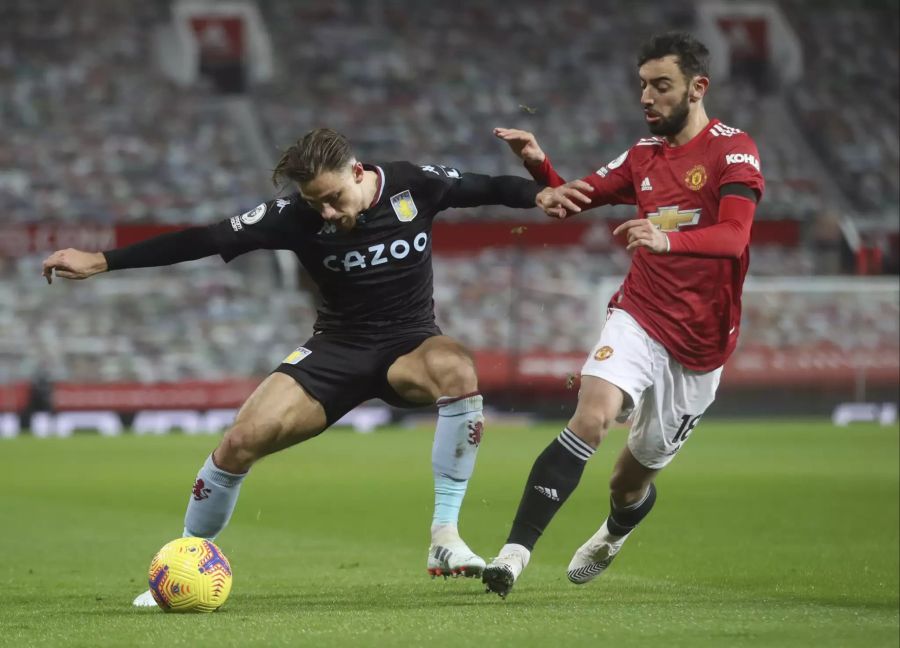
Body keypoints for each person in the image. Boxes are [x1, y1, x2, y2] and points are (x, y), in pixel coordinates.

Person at [41, 128, 544, 605]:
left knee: (457, 370)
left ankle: (445, 536)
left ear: (356, 172)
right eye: (313, 202)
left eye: (332, 198)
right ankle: (181, 564)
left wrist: (544, 180)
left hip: (409, 344)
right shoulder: (293, 216)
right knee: (238, 443)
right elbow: (204, 239)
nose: (325, 211)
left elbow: (493, 187)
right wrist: (102, 261)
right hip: (336, 348)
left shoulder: (414, 183)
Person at [482, 32, 765, 598]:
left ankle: (615, 530)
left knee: (628, 481)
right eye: (643, 86)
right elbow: (571, 198)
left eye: (662, 86)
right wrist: (541, 168)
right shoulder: (642, 156)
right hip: (641, 312)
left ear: (697, 88)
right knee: (592, 415)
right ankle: (512, 555)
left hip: (702, 347)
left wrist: (665, 240)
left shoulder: (734, 150)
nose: (648, 97)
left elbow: (734, 237)